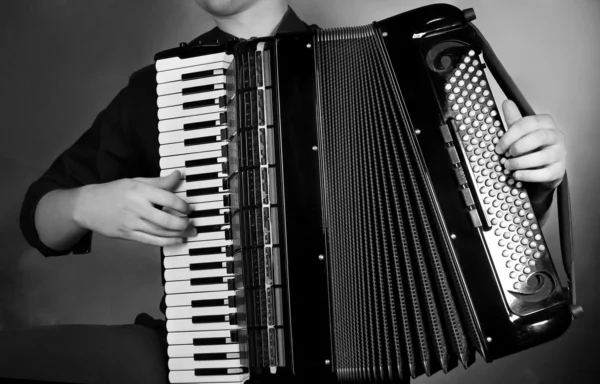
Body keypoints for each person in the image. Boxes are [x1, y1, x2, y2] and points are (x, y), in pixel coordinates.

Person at [2, 0, 567, 382]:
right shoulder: (158, 92)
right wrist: (84, 204)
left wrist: (533, 173)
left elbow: (473, 222)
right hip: (206, 353)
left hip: (359, 358)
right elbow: (39, 219)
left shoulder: (396, 70)